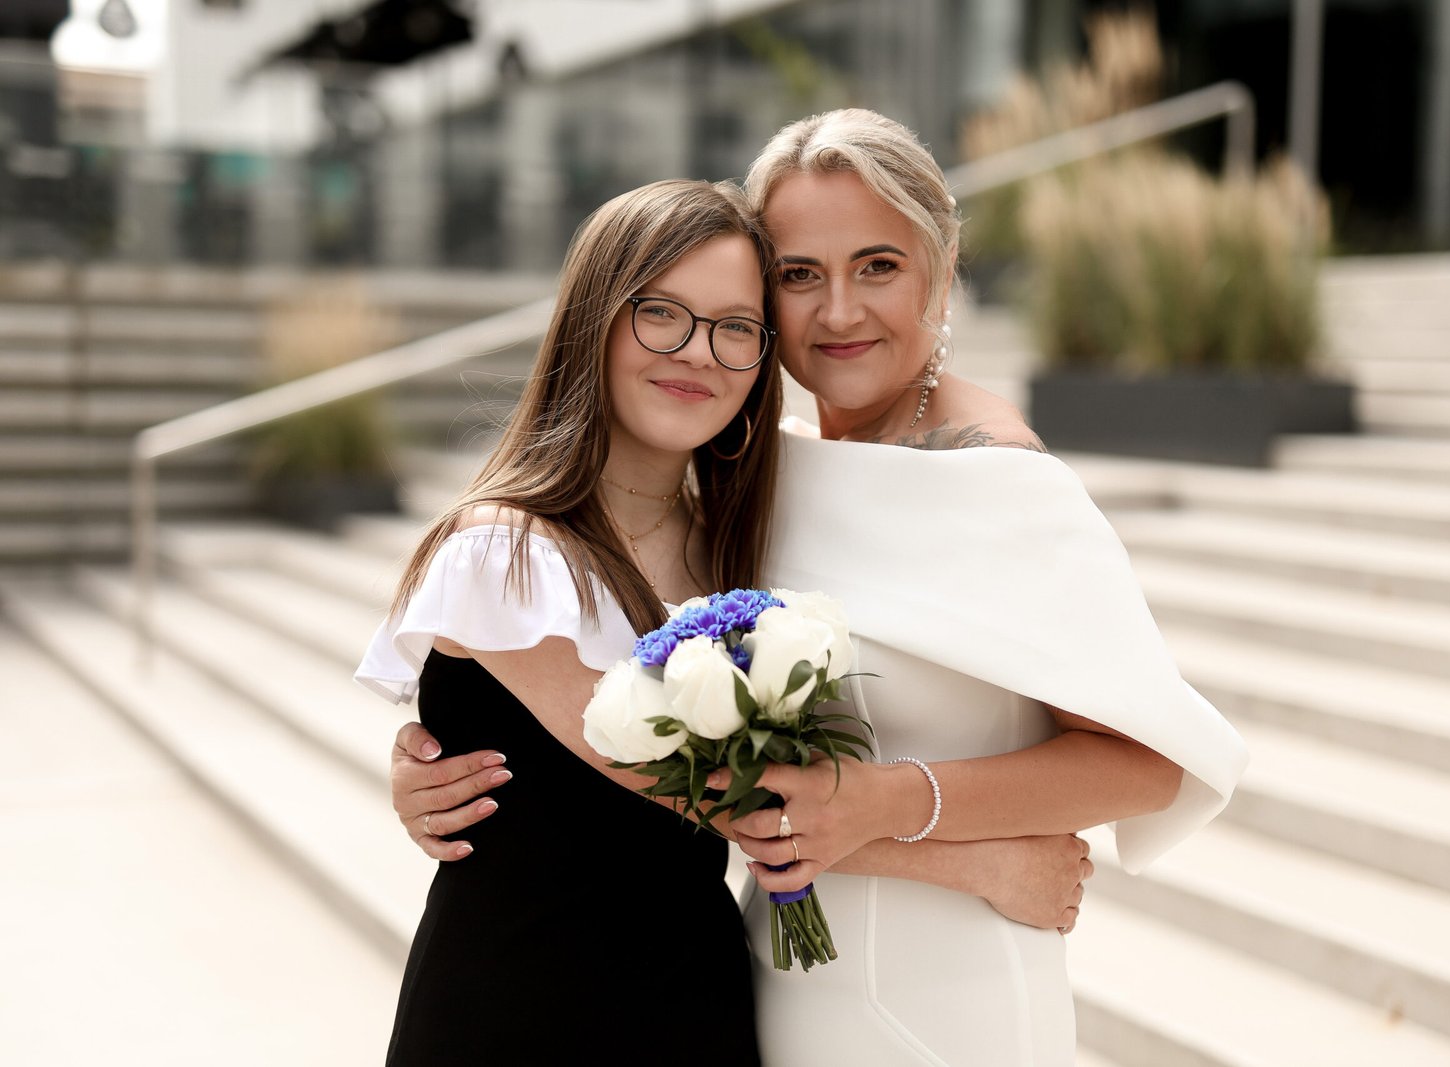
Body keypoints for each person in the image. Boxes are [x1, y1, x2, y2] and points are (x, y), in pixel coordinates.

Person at [387, 110, 1246, 1065]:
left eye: (878, 265)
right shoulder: (752, 484)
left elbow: (1147, 762)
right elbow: (641, 751)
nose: (839, 312)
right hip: (759, 979)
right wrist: (456, 736)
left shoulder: (998, 476)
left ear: (940, 267)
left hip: (944, 985)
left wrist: (901, 805)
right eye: (799, 275)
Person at [353, 179, 783, 1063]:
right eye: (660, 312)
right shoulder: (504, 551)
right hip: (518, 1018)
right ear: (594, 320)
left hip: (697, 1011)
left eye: (736, 327)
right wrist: (980, 860)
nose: (698, 352)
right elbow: (713, 793)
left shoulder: (739, 550)